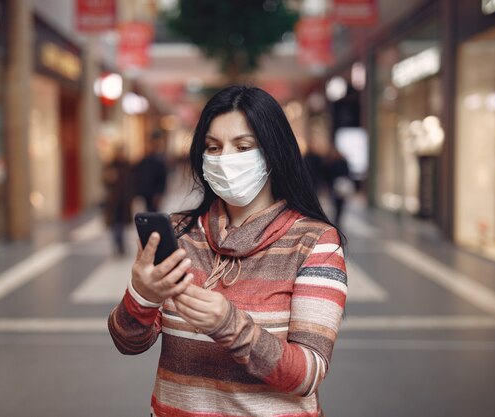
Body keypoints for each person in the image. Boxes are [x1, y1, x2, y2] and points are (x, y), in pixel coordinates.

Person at [108, 86, 347, 417]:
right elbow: (128, 342)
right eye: (213, 147)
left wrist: (230, 325)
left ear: (273, 152)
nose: (224, 159)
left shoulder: (314, 242)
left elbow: (307, 374)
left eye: (243, 146)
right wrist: (142, 296)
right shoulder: (179, 234)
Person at [102, 145, 134, 256]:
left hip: (124, 201)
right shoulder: (111, 166)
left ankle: (121, 245)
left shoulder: (127, 165)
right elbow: (105, 182)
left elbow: (132, 182)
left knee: (122, 225)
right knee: (116, 225)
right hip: (114, 202)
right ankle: (118, 245)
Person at [134, 131, 168, 212]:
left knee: (154, 212)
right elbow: (139, 175)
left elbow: (162, 178)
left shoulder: (160, 160)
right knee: (149, 211)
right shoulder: (146, 160)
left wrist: (159, 193)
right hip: (147, 192)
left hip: (154, 192)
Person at [326, 145, 352, 227]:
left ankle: (337, 218)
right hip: (338, 185)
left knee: (337, 203)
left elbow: (329, 174)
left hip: (337, 185)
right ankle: (338, 218)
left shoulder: (333, 162)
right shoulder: (338, 162)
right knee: (339, 203)